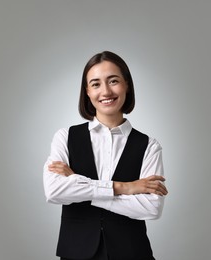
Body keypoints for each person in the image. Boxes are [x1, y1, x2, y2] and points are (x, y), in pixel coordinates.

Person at [43, 51, 168, 260]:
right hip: (75, 253)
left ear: (126, 85)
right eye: (95, 84)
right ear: (87, 92)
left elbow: (151, 207)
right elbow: (54, 191)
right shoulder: (65, 137)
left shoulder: (149, 146)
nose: (106, 91)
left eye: (113, 81)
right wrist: (124, 187)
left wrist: (79, 186)